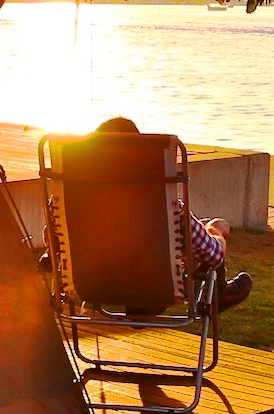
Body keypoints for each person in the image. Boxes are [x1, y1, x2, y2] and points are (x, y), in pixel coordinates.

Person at [92, 117, 254, 312]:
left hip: (98, 286)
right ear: (139, 155)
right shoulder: (162, 205)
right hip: (158, 286)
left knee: (189, 232)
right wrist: (216, 232)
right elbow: (214, 254)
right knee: (210, 231)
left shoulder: (79, 206)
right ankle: (217, 295)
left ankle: (217, 294)